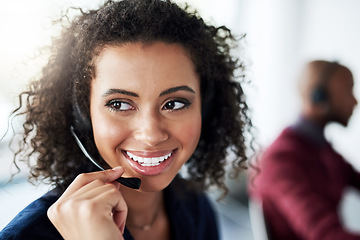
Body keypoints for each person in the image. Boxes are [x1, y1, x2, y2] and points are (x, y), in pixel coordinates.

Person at [0, 0, 254, 239]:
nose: (152, 135)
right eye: (119, 104)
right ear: (82, 114)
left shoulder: (195, 206)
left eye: (174, 104)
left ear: (204, 107)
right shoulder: (29, 235)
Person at [249, 60, 360, 240]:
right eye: (349, 89)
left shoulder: (321, 150)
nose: (355, 101)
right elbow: (325, 235)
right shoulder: (282, 160)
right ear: (319, 96)